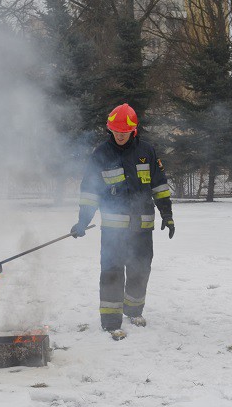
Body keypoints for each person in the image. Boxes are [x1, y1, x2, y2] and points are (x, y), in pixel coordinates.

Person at [70, 103, 174, 341]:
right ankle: (110, 321)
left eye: (124, 131)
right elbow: (89, 192)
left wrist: (167, 215)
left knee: (140, 269)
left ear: (133, 130)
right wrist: (83, 221)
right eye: (115, 131)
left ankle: (134, 311)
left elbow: (159, 185)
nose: (119, 135)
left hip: (142, 226)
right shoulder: (101, 155)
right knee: (112, 272)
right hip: (113, 230)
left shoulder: (147, 152)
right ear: (110, 130)